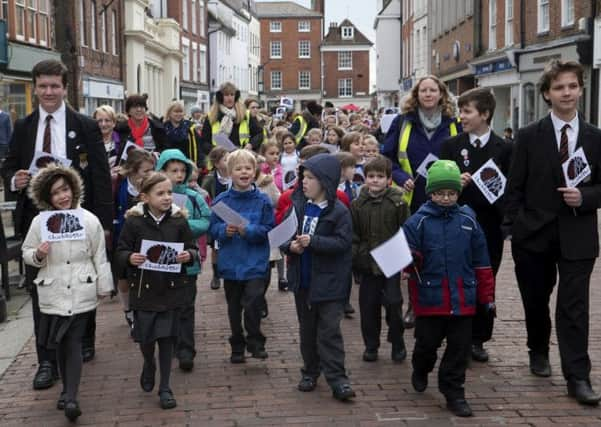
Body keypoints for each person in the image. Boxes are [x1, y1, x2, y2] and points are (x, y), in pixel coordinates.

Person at [1, 59, 113, 390]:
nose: (49, 92)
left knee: (82, 280)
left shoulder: (85, 125)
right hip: (38, 223)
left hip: (79, 220)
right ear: (35, 88)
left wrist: (104, 225)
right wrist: (14, 179)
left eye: (55, 86)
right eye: (43, 86)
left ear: (65, 87)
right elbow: (8, 167)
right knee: (41, 290)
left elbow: (100, 178)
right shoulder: (23, 127)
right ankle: (47, 361)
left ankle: (83, 337)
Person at [504, 60, 601, 405]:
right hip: (534, 234)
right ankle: (538, 348)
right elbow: (513, 187)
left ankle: (578, 377)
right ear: (547, 93)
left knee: (574, 307)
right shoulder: (530, 136)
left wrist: (586, 196)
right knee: (535, 299)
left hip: (578, 235)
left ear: (580, 89)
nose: (567, 93)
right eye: (559, 87)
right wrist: (513, 229)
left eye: (572, 86)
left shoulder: (595, 138)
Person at [404, 160, 495, 417]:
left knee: (459, 349)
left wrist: (486, 296)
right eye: (440, 193)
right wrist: (411, 260)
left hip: (463, 298)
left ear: (458, 193)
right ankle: (421, 366)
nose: (446, 198)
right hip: (430, 297)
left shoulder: (469, 220)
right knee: (427, 343)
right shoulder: (417, 222)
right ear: (431, 193)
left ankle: (454, 391)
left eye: (451, 193)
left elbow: (482, 262)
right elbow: (404, 256)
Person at [22, 164, 113, 421]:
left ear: (73, 189)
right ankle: (65, 390)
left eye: (65, 189)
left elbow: (99, 255)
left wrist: (103, 285)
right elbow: (27, 252)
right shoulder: (40, 222)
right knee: (60, 344)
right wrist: (39, 254)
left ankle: (71, 397)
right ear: (46, 198)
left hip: (82, 288)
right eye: (55, 193)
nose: (62, 196)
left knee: (73, 341)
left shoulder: (89, 220)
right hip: (53, 289)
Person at [382, 75, 461, 329]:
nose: (428, 94)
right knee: (413, 256)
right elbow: (387, 158)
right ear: (416, 95)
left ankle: (441, 304)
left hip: (445, 199)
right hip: (410, 200)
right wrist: (401, 176)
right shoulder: (402, 122)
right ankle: (414, 305)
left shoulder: (453, 123)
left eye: (433, 90)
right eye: (423, 90)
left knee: (440, 253)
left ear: (441, 94)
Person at [439, 87, 512, 363]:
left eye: (467, 111)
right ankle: (457, 333)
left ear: (485, 114)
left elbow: (511, 190)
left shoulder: (505, 148)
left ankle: (479, 337)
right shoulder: (451, 146)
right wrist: (452, 183)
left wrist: (506, 220)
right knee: (457, 277)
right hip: (456, 224)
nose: (462, 117)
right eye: (461, 111)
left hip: (490, 227)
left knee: (485, 278)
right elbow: (438, 185)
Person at [116, 172, 198, 410]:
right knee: (146, 338)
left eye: (169, 193)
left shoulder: (179, 220)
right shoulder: (134, 222)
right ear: (145, 197)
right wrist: (130, 257)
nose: (166, 198)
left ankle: (165, 387)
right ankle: (148, 363)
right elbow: (120, 251)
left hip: (171, 289)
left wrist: (188, 256)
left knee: (167, 339)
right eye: (160, 193)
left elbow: (191, 248)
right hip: (144, 290)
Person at [282, 153, 356, 402]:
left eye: (310, 178)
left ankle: (338, 379)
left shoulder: (340, 211)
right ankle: (310, 371)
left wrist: (314, 241)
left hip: (330, 284)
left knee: (329, 332)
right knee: (307, 330)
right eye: (303, 176)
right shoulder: (297, 206)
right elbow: (283, 235)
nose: (304, 182)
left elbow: (344, 243)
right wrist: (289, 246)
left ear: (325, 181)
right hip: (303, 282)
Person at [209, 149, 274, 363]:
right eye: (238, 169)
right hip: (231, 262)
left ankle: (255, 340)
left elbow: (268, 228)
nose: (244, 172)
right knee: (234, 307)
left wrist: (250, 231)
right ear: (229, 173)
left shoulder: (263, 200)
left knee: (253, 301)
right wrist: (222, 232)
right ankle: (237, 344)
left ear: (255, 171)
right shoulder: (221, 200)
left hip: (255, 261)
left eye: (248, 168)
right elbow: (213, 228)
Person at [156, 149, 210, 371]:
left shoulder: (194, 196)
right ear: (162, 172)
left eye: (181, 170)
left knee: (186, 307)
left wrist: (183, 226)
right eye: (172, 170)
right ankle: (171, 344)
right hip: (162, 263)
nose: (178, 175)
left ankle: (187, 350)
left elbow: (206, 220)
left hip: (187, 262)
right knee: (168, 307)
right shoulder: (155, 196)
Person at [351, 155, 409, 363]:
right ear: (365, 178)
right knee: (368, 306)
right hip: (367, 261)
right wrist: (356, 257)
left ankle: (397, 340)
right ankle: (371, 345)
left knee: (394, 303)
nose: (375, 180)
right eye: (371, 176)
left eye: (380, 176)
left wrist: (405, 260)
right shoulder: (358, 204)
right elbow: (354, 234)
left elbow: (405, 230)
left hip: (392, 259)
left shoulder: (398, 202)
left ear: (389, 179)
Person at [113, 149, 155, 329]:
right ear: (132, 170)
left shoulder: (152, 185)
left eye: (152, 170)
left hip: (147, 237)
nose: (150, 174)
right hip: (121, 235)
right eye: (146, 171)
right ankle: (128, 309)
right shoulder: (117, 184)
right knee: (123, 276)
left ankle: (147, 311)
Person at [200, 82, 264, 154]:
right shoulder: (211, 116)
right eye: (226, 95)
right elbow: (204, 142)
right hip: (219, 160)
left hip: (241, 157)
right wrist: (216, 150)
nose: (230, 98)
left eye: (232, 95)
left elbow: (259, 134)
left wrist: (250, 145)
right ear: (220, 97)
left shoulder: (245, 115)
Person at [201, 146, 231, 290]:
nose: (229, 161)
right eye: (225, 159)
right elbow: (204, 198)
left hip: (233, 217)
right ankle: (216, 274)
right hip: (217, 218)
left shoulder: (235, 175)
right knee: (216, 248)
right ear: (217, 163)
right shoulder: (210, 180)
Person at [163, 100, 201, 167]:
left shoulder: (190, 127)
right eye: (176, 112)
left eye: (180, 112)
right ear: (169, 113)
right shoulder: (163, 127)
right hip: (168, 163)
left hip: (187, 162)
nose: (179, 114)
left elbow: (198, 146)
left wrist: (199, 163)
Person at [93, 105, 120, 173]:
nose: (103, 124)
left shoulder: (122, 141)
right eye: (99, 121)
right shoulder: (88, 142)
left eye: (107, 120)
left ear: (114, 123)